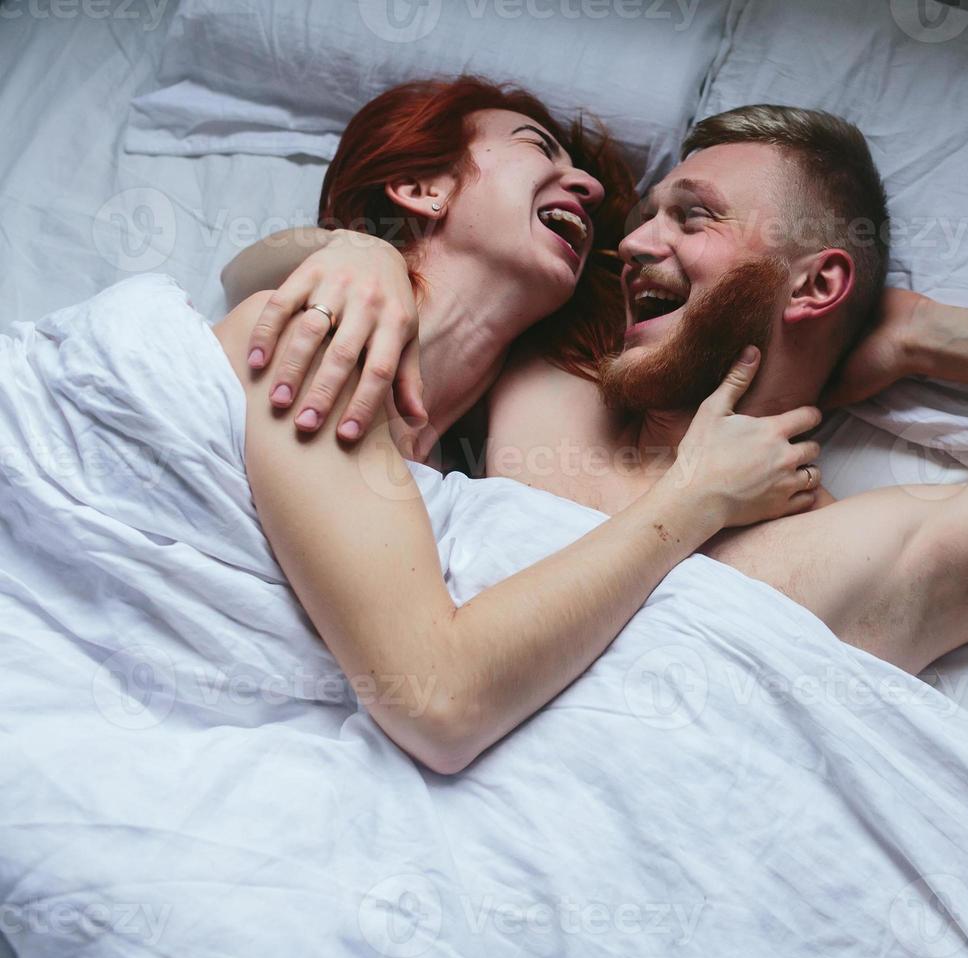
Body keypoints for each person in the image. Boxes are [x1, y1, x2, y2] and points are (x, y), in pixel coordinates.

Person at [229, 104, 968, 681]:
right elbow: (372, 272)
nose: (633, 240)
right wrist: (355, 252)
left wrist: (924, 336)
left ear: (819, 283)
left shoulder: (865, 555)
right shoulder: (545, 368)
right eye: (644, 215)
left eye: (690, 216)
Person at [208, 80, 825, 775]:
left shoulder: (447, 470)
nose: (589, 187)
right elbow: (439, 701)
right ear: (421, 189)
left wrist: (906, 339)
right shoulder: (326, 335)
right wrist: (694, 498)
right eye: (538, 149)